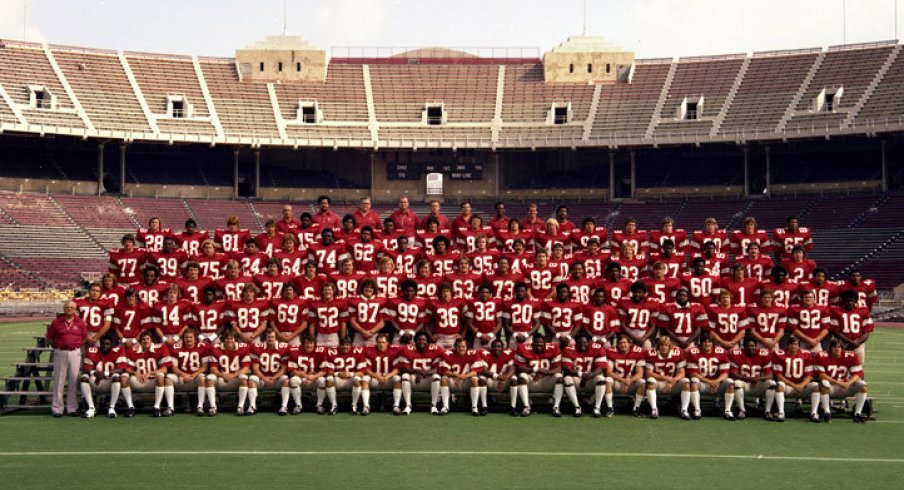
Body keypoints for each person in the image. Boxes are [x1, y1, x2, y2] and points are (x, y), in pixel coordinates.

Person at [47, 301, 88, 417]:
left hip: (74, 352)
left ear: (75, 310)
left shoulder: (80, 322)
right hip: (60, 352)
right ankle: (57, 409)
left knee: (73, 380)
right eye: (67, 307)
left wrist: (76, 344)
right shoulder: (56, 322)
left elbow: (84, 338)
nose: (69, 309)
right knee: (59, 381)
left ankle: (72, 408)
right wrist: (57, 346)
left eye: (71, 307)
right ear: (63, 309)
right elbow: (50, 338)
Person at [814, 338, 870, 423]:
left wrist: (848, 383)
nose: (837, 349)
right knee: (824, 383)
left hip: (845, 387)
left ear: (842, 348)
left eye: (839, 347)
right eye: (834, 347)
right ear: (830, 348)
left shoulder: (850, 356)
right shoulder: (822, 356)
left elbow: (858, 374)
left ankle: (857, 413)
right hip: (831, 387)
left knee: (863, 385)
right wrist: (839, 383)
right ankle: (827, 412)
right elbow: (821, 375)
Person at [513, 333, 563, 417]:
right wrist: (536, 369)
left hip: (546, 379)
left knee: (559, 377)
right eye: (536, 342)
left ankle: (556, 407)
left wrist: (542, 374)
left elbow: (558, 368)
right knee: (522, 376)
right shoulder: (523, 348)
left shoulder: (553, 348)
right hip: (531, 378)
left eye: (541, 342)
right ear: (532, 343)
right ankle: (526, 406)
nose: (539, 344)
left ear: (545, 343)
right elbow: (519, 368)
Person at [166, 328, 213, 417]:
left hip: (195, 376)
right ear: (183, 338)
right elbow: (173, 367)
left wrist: (193, 375)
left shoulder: (203, 346)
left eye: (190, 337)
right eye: (186, 337)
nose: (188, 339)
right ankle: (170, 407)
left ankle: (200, 406)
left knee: (203, 379)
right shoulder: (176, 347)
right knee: (168, 378)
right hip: (181, 377)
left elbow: (205, 367)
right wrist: (184, 375)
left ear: (195, 338)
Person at [770, 336, 818, 423]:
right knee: (779, 385)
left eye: (796, 344)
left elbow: (809, 375)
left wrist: (801, 385)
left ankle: (814, 413)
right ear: (787, 345)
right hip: (788, 386)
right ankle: (781, 412)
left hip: (801, 387)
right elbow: (779, 376)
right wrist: (794, 386)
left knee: (816, 386)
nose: (793, 346)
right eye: (791, 344)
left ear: (799, 346)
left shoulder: (806, 355)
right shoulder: (780, 355)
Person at [122, 330, 168, 417]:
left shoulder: (159, 349)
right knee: (124, 378)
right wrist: (135, 373)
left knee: (160, 376)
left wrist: (150, 373)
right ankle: (131, 407)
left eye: (148, 339)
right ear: (140, 341)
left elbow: (164, 369)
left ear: (151, 340)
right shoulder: (133, 351)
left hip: (152, 381)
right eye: (143, 339)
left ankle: (156, 407)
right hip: (138, 380)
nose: (146, 341)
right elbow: (127, 369)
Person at [727, 336, 775, 420]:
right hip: (745, 383)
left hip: (757, 385)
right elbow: (733, 374)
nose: (750, 348)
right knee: (737, 383)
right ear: (744, 347)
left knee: (772, 383)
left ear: (756, 346)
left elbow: (770, 375)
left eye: (752, 346)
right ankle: (742, 410)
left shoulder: (763, 354)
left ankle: (768, 411)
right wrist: (751, 379)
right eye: (748, 346)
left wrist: (758, 379)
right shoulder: (737, 354)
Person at [397, 331, 444, 415]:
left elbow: (439, 368)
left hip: (428, 378)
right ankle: (408, 405)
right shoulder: (407, 349)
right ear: (415, 341)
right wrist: (418, 371)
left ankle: (433, 405)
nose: (421, 342)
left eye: (424, 340)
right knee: (405, 376)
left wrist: (425, 373)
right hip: (414, 378)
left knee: (436, 376)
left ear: (428, 342)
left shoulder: (436, 350)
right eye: (419, 340)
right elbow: (404, 368)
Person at [686, 334, 731, 420]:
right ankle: (697, 410)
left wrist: (716, 381)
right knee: (694, 381)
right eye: (705, 342)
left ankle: (727, 411)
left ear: (713, 343)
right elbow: (693, 374)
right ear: (701, 343)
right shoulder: (693, 351)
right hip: (702, 383)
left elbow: (725, 373)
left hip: (717, 383)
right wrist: (709, 382)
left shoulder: (721, 351)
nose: (707, 344)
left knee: (730, 383)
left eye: (709, 341)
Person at [79, 335, 127, 418]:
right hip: (96, 380)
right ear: (100, 344)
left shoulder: (118, 350)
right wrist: (95, 373)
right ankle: (91, 408)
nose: (105, 346)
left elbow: (122, 369)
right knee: (84, 377)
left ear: (112, 345)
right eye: (103, 344)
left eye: (108, 344)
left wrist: (105, 373)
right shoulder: (92, 351)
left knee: (116, 376)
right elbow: (86, 369)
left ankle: (112, 408)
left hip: (109, 381)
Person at [643, 336, 690, 419]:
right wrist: (665, 378)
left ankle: (684, 410)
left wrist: (673, 380)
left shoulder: (678, 353)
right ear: (658, 346)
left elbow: (682, 373)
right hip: (658, 382)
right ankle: (654, 409)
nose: (664, 347)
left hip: (672, 383)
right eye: (661, 345)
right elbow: (648, 373)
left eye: (666, 345)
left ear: (670, 346)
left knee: (686, 382)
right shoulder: (651, 354)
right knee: (650, 381)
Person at [562, 334, 608, 417]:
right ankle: (577, 407)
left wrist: (587, 377)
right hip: (577, 378)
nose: (582, 344)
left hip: (590, 377)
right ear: (576, 343)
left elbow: (600, 368)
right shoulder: (568, 350)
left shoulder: (597, 348)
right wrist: (580, 374)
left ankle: (597, 408)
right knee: (567, 379)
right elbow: (567, 369)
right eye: (580, 343)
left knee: (601, 378)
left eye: (585, 342)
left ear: (589, 342)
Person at [438, 338, 486, 416]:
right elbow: (445, 371)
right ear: (455, 347)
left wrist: (463, 377)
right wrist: (457, 375)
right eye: (459, 346)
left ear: (466, 347)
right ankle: (445, 407)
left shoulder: (473, 353)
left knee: (474, 379)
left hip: (466, 380)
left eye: (463, 346)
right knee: (444, 379)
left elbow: (475, 372)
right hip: (453, 380)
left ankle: (474, 407)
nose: (461, 349)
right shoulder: (448, 353)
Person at [208, 329, 252, 415]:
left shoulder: (243, 348)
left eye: (231, 338)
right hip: (221, 378)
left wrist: (233, 375)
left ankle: (240, 406)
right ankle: (213, 407)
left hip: (235, 378)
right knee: (209, 378)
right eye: (227, 338)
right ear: (223, 339)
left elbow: (246, 368)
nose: (229, 340)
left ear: (235, 339)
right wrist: (223, 375)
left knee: (244, 378)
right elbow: (213, 369)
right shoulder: (215, 348)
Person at [285, 335, 329, 415]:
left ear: (314, 344)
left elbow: (324, 371)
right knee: (293, 380)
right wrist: (305, 376)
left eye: (311, 343)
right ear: (303, 343)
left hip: (314, 378)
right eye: (307, 343)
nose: (309, 345)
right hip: (302, 379)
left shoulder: (321, 351)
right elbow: (292, 371)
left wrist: (313, 377)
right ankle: (298, 405)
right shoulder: (295, 350)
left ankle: (319, 405)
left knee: (322, 380)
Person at [605, 333, 647, 417]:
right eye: (620, 343)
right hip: (617, 381)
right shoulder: (612, 352)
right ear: (617, 344)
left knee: (642, 382)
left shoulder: (637, 352)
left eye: (625, 343)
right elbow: (609, 372)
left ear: (629, 344)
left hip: (630, 383)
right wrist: (623, 380)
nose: (622, 345)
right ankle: (610, 408)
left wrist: (629, 380)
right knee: (607, 380)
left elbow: (640, 373)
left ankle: (636, 408)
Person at [250, 328, 290, 415]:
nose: (270, 339)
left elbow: (284, 368)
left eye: (272, 337)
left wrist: (273, 378)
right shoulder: (257, 347)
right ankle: (252, 406)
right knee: (252, 379)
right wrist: (264, 378)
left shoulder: (283, 348)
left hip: (275, 379)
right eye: (268, 337)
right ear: (265, 338)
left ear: (276, 338)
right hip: (262, 379)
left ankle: (284, 406)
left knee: (286, 380)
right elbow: (255, 368)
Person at [361, 333, 403, 416]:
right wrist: (376, 376)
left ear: (387, 343)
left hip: (388, 378)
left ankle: (396, 406)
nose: (381, 344)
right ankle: (366, 406)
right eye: (379, 342)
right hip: (375, 378)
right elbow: (366, 369)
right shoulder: (369, 350)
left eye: (383, 342)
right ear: (376, 343)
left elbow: (397, 369)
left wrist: (386, 377)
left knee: (398, 379)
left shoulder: (395, 350)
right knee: (365, 379)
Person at [323, 337, 366, 414]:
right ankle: (334, 405)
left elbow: (362, 372)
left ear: (351, 345)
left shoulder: (357, 352)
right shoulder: (333, 352)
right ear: (339, 345)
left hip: (351, 379)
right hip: (338, 379)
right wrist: (338, 374)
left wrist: (351, 374)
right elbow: (328, 371)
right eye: (343, 345)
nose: (345, 347)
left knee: (357, 379)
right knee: (329, 379)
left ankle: (354, 405)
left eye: (347, 345)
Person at [829, 289, 874, 361]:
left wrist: (857, 342)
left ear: (855, 301)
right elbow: (835, 332)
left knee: (858, 368)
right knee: (841, 369)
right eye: (847, 301)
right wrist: (851, 342)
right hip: (841, 345)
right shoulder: (836, 311)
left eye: (852, 301)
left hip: (858, 344)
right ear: (843, 301)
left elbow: (866, 332)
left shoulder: (863, 311)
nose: (850, 303)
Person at [616, 282, 660, 348]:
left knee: (648, 350)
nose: (637, 294)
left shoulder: (652, 303)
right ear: (632, 292)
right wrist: (635, 338)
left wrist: (643, 338)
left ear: (644, 293)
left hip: (644, 333)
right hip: (628, 333)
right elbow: (622, 324)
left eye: (639, 292)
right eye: (635, 292)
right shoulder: (624, 302)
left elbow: (653, 326)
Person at [480, 339, 517, 415]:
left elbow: (512, 368)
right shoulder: (486, 354)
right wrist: (498, 377)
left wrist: (504, 379)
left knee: (514, 379)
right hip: (491, 380)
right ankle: (484, 406)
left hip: (503, 381)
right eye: (494, 347)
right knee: (481, 379)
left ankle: (513, 407)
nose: (497, 348)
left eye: (499, 347)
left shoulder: (508, 354)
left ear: (503, 348)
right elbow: (483, 370)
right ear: (491, 348)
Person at [500, 282, 542, 348]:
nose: (520, 293)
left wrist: (527, 334)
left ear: (526, 292)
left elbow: (537, 323)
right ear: (515, 292)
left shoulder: (534, 303)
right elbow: (506, 324)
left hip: (528, 335)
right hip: (514, 334)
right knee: (513, 356)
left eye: (522, 291)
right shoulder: (508, 303)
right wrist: (515, 334)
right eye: (518, 291)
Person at [348, 279, 387, 346]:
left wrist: (371, 332)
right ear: (362, 288)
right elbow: (352, 321)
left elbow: (382, 322)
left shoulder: (381, 301)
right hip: (359, 335)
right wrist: (363, 331)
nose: (368, 289)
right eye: (366, 287)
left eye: (371, 287)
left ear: (374, 289)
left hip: (374, 335)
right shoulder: (354, 301)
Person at [74, 281, 114, 346]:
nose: (95, 293)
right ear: (89, 291)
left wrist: (95, 339)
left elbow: (107, 325)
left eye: (97, 291)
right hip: (81, 334)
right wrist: (86, 337)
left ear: (100, 293)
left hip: (98, 335)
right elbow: (75, 322)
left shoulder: (106, 303)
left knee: (95, 355)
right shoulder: (79, 302)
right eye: (93, 290)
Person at [427, 283, 466, 348]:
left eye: (447, 291)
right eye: (443, 291)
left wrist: (463, 335)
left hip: (454, 337)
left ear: (451, 292)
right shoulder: (434, 303)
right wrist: (430, 335)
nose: (445, 294)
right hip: (440, 337)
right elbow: (425, 321)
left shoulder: (459, 302)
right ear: (440, 294)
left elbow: (467, 320)